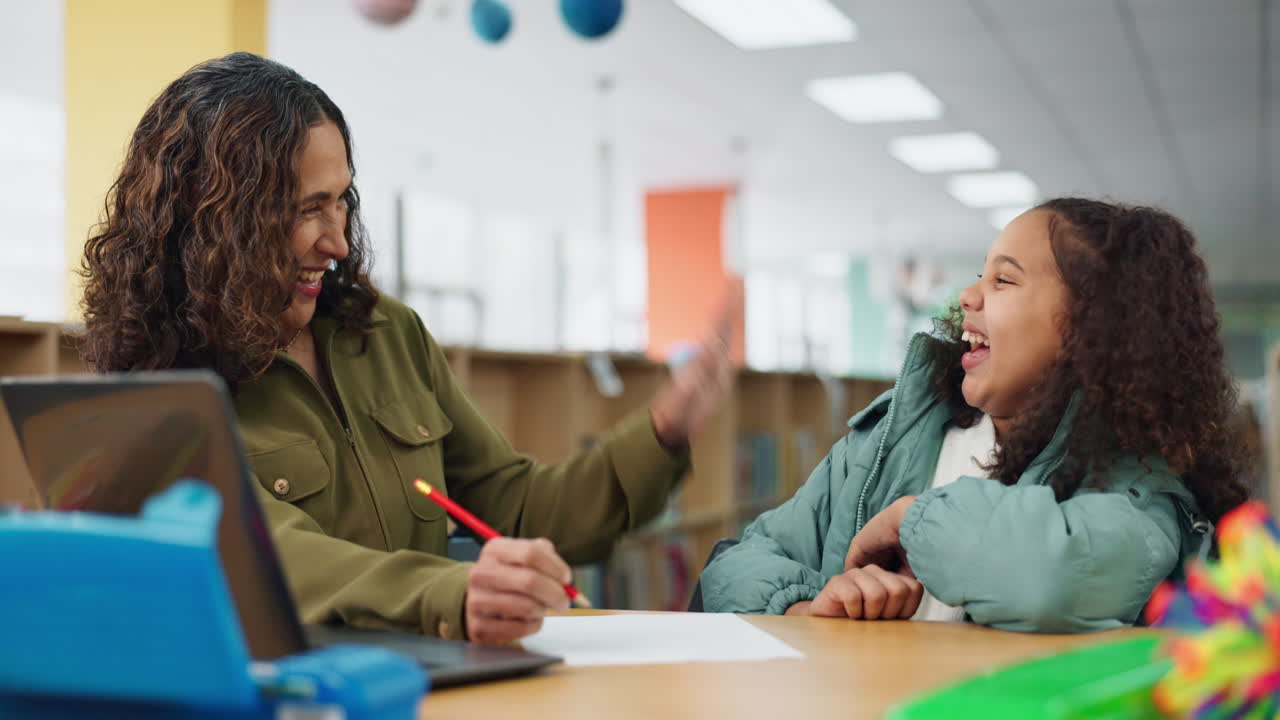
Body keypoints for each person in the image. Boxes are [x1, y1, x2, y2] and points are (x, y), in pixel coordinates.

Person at [78, 52, 735, 645]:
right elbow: (263, 551)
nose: (336, 241)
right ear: (215, 217)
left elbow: (518, 507)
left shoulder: (388, 334)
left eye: (341, 202)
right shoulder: (154, 380)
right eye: (307, 209)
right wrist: (447, 592)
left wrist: (663, 432)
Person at [700, 198, 1253, 632]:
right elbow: (737, 562)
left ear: (1093, 330)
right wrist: (804, 608)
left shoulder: (1138, 483)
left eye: (1003, 280)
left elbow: (1053, 578)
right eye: (980, 275)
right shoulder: (891, 436)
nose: (967, 295)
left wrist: (910, 518)